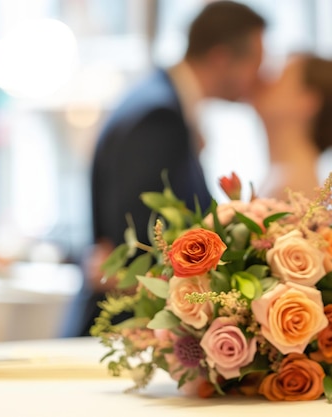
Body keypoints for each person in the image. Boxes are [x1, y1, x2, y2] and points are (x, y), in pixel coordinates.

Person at [61, 1, 266, 337]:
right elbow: (142, 245)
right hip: (126, 331)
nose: (258, 78)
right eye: (255, 63)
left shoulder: (156, 101)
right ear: (221, 58)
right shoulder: (158, 118)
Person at [252, 54, 332, 199]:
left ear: (307, 102)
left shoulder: (292, 189)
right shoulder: (284, 177)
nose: (265, 81)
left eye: (279, 75)